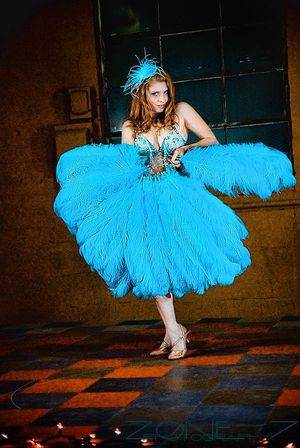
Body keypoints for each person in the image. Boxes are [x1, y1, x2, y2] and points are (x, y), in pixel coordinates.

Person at [53, 54, 296, 361]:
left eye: (165, 91)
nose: (163, 98)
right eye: (156, 94)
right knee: (150, 265)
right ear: (142, 95)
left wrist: (185, 148)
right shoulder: (130, 126)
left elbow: (211, 140)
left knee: (166, 265)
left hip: (178, 198)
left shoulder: (180, 111)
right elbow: (128, 167)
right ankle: (173, 331)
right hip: (142, 202)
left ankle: (174, 332)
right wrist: (146, 167)